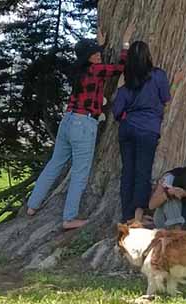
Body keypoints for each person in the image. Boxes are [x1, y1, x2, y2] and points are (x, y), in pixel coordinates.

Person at [27, 23, 134, 230]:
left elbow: (94, 61)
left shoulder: (80, 71)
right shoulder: (96, 70)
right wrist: (125, 43)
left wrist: (100, 45)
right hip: (83, 124)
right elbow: (120, 68)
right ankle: (69, 218)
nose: (99, 54)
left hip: (68, 121)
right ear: (89, 57)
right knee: (80, 173)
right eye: (95, 53)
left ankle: (32, 205)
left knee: (54, 164)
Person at [112, 41, 183, 224]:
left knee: (128, 172)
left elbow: (117, 111)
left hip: (127, 129)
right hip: (147, 129)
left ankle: (127, 215)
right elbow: (166, 99)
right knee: (142, 172)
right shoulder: (158, 75)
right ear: (148, 56)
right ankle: (138, 216)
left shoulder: (127, 80)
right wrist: (175, 83)